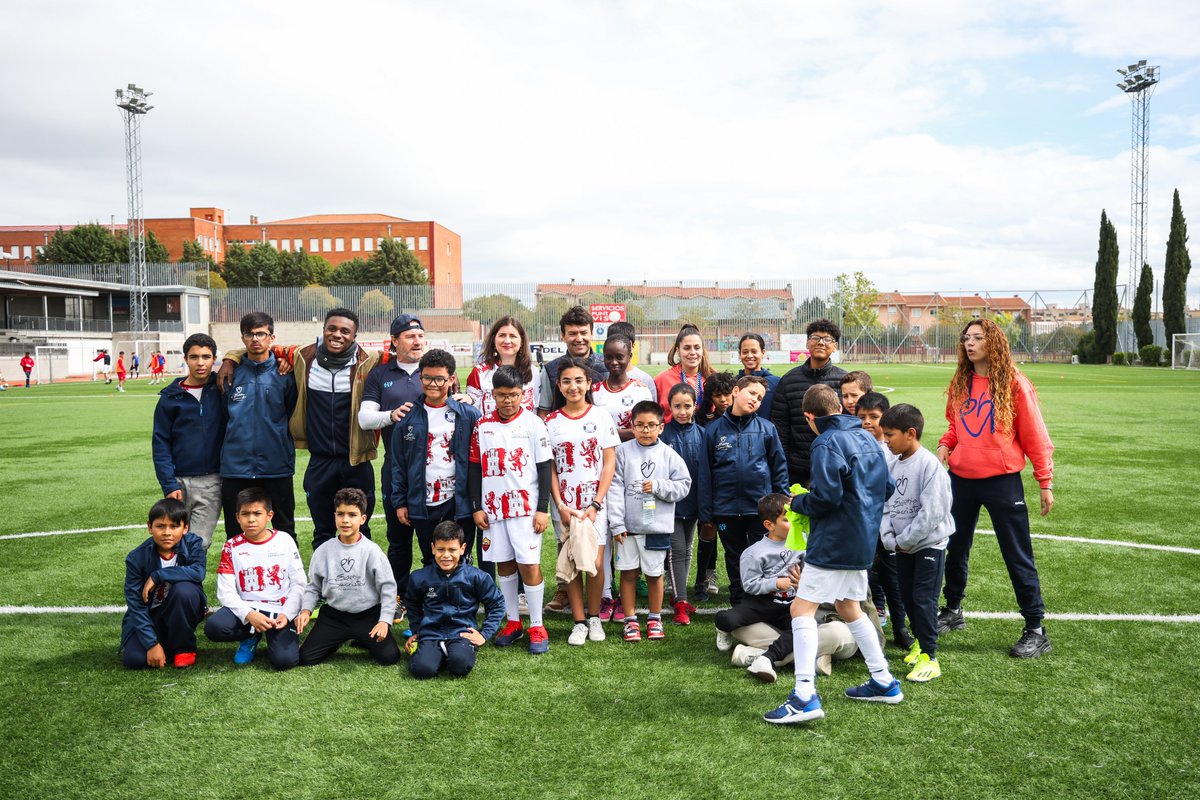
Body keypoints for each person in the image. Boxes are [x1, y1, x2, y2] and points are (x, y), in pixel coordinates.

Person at [763, 384, 899, 725]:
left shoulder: (826, 441)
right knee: (849, 607)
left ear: (810, 417)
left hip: (835, 540)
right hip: (863, 537)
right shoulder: (868, 436)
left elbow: (826, 498)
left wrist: (799, 502)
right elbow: (887, 488)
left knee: (801, 608)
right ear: (839, 406)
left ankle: (804, 696)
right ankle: (883, 680)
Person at [936, 317, 1055, 659]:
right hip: (961, 479)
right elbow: (955, 426)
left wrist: (1044, 482)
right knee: (954, 547)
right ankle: (953, 610)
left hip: (1002, 481)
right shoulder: (961, 381)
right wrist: (946, 444)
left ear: (994, 343)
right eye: (966, 338)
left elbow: (1035, 435)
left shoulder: (1015, 383)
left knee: (1016, 553)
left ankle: (1036, 629)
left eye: (977, 338)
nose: (969, 343)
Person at [470, 365, 555, 654]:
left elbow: (545, 468)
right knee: (503, 564)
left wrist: (542, 509)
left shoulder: (533, 424)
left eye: (514, 395)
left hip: (526, 510)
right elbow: (474, 468)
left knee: (529, 565)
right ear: (492, 394)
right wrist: (476, 507)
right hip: (493, 510)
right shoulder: (482, 426)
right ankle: (513, 622)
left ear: (523, 394)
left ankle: (537, 625)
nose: (508, 401)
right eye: (502, 395)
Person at [287, 308, 382, 551]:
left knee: (361, 530)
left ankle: (362, 587)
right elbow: (259, 346)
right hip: (320, 462)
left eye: (345, 331)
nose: (337, 334)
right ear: (323, 330)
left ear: (355, 335)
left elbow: (410, 358)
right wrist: (231, 359)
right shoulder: (303, 357)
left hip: (356, 462)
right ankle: (324, 587)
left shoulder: (370, 360)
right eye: (332, 328)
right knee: (323, 531)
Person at [545, 357, 619, 645]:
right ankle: (578, 621)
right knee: (572, 560)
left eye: (579, 380)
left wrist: (596, 504)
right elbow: (550, 467)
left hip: (594, 506)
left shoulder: (600, 417)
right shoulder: (550, 422)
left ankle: (595, 617)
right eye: (566, 381)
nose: (573, 386)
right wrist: (561, 505)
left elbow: (608, 463)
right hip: (565, 508)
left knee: (597, 563)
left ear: (589, 384)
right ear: (559, 386)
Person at [697, 375, 788, 607]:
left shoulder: (767, 429)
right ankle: (739, 602)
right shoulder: (713, 430)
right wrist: (707, 512)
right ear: (736, 391)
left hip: (759, 510)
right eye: (752, 393)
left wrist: (782, 503)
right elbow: (705, 473)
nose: (755, 400)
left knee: (762, 555)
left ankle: (764, 602)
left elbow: (779, 467)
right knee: (734, 557)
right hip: (726, 510)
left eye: (759, 398)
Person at [391, 349, 482, 580]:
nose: (432, 384)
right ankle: (435, 604)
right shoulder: (407, 418)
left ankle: (462, 603)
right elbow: (399, 464)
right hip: (423, 502)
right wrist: (400, 501)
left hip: (457, 502)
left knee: (459, 556)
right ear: (420, 377)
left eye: (439, 378)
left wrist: (475, 502)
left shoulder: (469, 415)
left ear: (451, 379)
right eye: (427, 378)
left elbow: (477, 463)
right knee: (431, 556)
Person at [607, 400, 692, 642]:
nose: (645, 430)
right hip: (628, 528)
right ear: (631, 427)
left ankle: (655, 618)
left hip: (656, 527)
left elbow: (684, 485)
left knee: (655, 575)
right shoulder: (622, 452)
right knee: (629, 574)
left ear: (661, 427)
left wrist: (657, 486)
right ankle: (630, 620)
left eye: (651, 425)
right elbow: (614, 488)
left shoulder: (669, 455)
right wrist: (617, 523)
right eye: (640, 425)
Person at [358, 313, 429, 603]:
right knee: (398, 538)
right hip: (396, 468)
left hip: (435, 470)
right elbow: (364, 418)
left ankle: (434, 595)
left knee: (434, 537)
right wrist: (390, 415)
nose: (417, 341)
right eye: (411, 336)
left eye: (421, 336)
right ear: (395, 341)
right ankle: (398, 596)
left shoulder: (435, 367)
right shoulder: (381, 374)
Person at [880, 403, 953, 682]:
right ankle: (921, 644)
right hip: (901, 546)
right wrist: (889, 538)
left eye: (890, 435)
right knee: (907, 597)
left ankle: (931, 658)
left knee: (923, 599)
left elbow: (933, 512)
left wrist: (906, 540)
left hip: (927, 546)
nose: (885, 441)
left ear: (910, 433)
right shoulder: (891, 465)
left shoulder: (929, 465)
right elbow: (884, 505)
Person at [296, 488, 400, 667]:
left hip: (368, 615)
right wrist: (305, 611)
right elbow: (313, 587)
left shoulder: (372, 551)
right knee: (305, 658)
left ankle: (362, 638)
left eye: (352, 515)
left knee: (389, 657)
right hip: (335, 616)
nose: (345, 520)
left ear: (363, 519)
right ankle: (335, 640)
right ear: (334, 516)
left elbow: (388, 588)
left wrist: (384, 621)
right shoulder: (324, 551)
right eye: (340, 514)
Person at [218, 312, 299, 541]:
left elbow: (291, 413)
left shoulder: (286, 374)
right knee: (235, 532)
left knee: (285, 528)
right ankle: (237, 577)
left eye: (261, 333)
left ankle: (286, 577)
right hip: (236, 466)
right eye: (249, 334)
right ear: (242, 338)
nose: (255, 339)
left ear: (271, 337)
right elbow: (224, 417)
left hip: (276, 464)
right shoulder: (230, 374)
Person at [204, 488, 306, 670]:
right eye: (245, 514)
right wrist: (249, 615)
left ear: (269, 515)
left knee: (285, 661)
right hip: (248, 608)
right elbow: (225, 591)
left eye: (257, 513)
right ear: (237, 517)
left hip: (279, 610)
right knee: (214, 627)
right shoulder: (231, 546)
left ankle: (276, 635)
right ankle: (250, 636)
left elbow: (299, 583)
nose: (251, 519)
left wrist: (288, 614)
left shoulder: (285, 540)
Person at [714, 494, 805, 681]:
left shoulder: (803, 544)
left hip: (789, 604)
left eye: (795, 518)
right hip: (762, 603)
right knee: (730, 619)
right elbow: (749, 585)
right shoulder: (754, 552)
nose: (794, 523)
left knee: (801, 629)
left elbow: (809, 572)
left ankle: (767, 656)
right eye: (787, 520)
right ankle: (721, 626)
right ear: (769, 525)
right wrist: (775, 583)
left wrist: (801, 581)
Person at [152, 333, 227, 550]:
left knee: (198, 543)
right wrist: (168, 483)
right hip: (178, 482)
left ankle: (189, 585)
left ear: (215, 359)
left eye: (206, 356)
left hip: (212, 481)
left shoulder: (222, 389)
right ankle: (169, 583)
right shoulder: (170, 397)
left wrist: (231, 360)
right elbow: (161, 443)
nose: (200, 362)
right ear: (186, 359)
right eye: (194, 357)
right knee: (171, 542)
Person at [405, 521, 506, 679]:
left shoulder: (477, 577)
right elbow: (412, 605)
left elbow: (497, 604)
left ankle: (456, 652)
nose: (446, 555)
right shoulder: (419, 577)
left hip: (461, 634)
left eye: (452, 549)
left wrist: (484, 634)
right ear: (433, 548)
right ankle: (433, 654)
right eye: (440, 549)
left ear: (462, 549)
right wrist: (417, 631)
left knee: (460, 666)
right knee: (422, 670)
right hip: (431, 634)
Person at [119, 498, 207, 669]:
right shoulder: (136, 558)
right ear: (149, 527)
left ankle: (183, 648)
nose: (167, 532)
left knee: (184, 590)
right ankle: (161, 643)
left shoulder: (193, 543)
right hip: (153, 616)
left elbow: (198, 573)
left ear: (185, 528)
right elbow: (136, 605)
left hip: (181, 609)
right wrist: (151, 644)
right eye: (160, 526)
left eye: (174, 526)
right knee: (134, 660)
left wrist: (159, 575)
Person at [855, 391, 909, 646]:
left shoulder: (893, 451)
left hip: (888, 526)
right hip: (861, 525)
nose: (867, 422)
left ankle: (901, 629)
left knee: (892, 580)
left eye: (873, 417)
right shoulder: (853, 445)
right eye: (862, 416)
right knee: (864, 579)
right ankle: (871, 632)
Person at [771, 319, 848, 488]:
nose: (821, 342)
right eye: (815, 337)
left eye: (827, 339)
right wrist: (786, 461)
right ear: (807, 343)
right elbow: (780, 424)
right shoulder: (789, 380)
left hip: (835, 466)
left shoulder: (844, 381)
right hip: (798, 468)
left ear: (834, 347)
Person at [659, 383, 703, 624]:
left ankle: (679, 596)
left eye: (687, 406)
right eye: (677, 406)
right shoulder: (664, 435)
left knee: (687, 550)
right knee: (676, 551)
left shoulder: (703, 434)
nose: (683, 411)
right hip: (671, 506)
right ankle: (681, 601)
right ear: (669, 407)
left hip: (694, 503)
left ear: (695, 406)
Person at [538, 305, 608, 416]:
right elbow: (544, 411)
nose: (579, 339)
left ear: (592, 334)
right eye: (572, 334)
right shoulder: (550, 370)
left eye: (584, 333)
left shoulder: (608, 365)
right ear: (563, 336)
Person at [465, 315, 541, 416]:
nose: (507, 341)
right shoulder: (479, 372)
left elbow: (537, 409)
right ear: (493, 339)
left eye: (513, 336)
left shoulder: (533, 372)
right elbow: (471, 413)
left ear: (521, 341)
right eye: (502, 335)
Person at [592, 335, 654, 441]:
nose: (614, 362)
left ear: (629, 356)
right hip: (602, 454)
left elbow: (646, 430)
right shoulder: (593, 391)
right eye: (609, 357)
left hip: (633, 454)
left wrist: (606, 432)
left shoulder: (641, 391)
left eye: (619, 357)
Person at [654, 324, 714, 423]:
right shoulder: (661, 380)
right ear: (678, 351)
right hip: (670, 437)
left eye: (697, 347)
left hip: (704, 436)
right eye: (687, 348)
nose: (692, 352)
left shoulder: (712, 379)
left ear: (702, 350)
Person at [606, 320, 658, 403]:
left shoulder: (644, 379)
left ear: (633, 346)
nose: (618, 346)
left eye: (624, 342)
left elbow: (652, 411)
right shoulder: (602, 376)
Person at [738, 333, 781, 419]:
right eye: (745, 352)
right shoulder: (733, 382)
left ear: (763, 353)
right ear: (740, 354)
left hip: (767, 432)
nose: (749, 356)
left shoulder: (776, 383)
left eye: (754, 351)